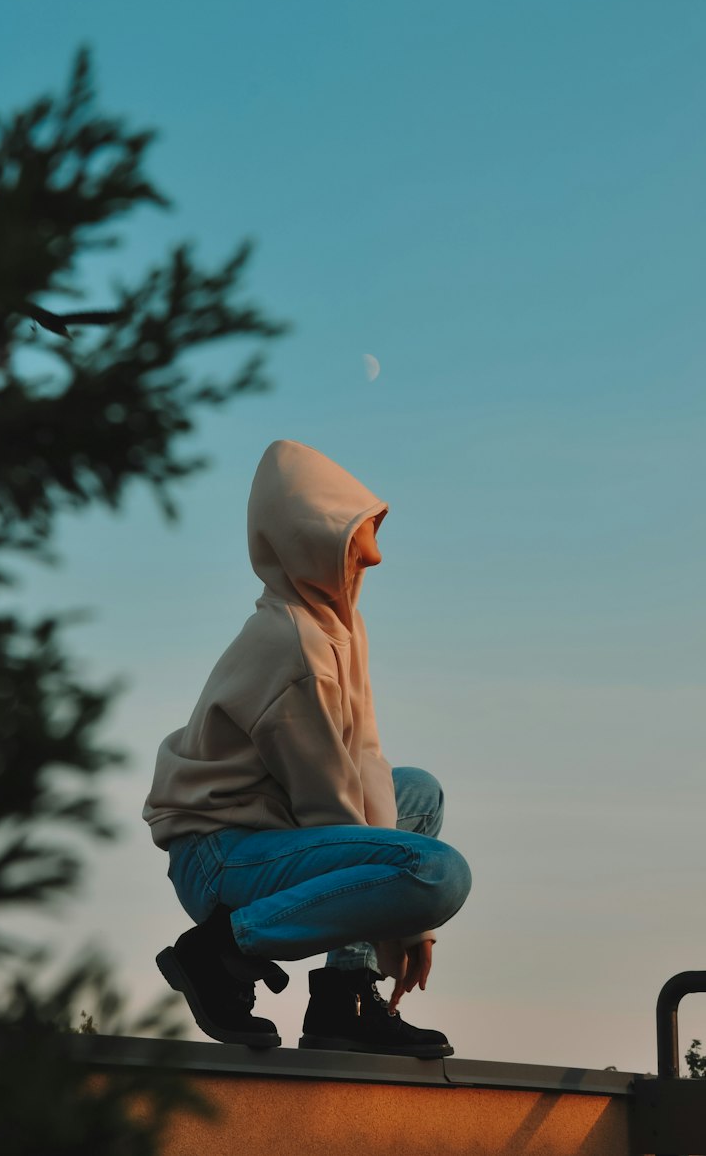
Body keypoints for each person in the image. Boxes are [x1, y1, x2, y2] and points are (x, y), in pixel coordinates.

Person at [142, 439, 471, 1056]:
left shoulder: (339, 624)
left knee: (418, 792)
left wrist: (410, 922)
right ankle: (220, 952)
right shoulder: (294, 646)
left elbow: (365, 757)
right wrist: (407, 910)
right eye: (361, 535)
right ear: (311, 539)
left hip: (274, 830)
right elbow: (329, 802)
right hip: (220, 856)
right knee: (439, 871)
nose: (376, 554)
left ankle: (338, 1006)